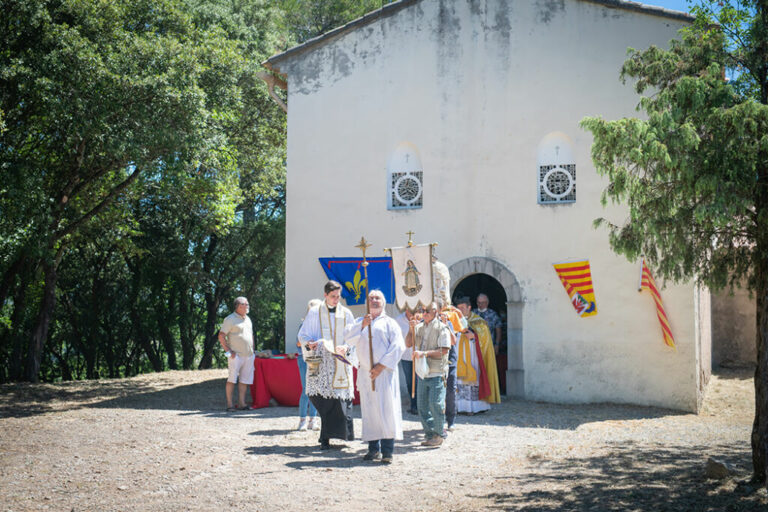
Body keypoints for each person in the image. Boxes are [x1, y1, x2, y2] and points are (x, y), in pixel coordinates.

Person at [342, 290, 405, 464]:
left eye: (377, 298)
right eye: (371, 298)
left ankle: (387, 451)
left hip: (384, 374)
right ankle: (372, 448)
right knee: (370, 412)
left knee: (386, 410)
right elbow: (348, 338)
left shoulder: (390, 323)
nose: (374, 301)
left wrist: (381, 366)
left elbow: (398, 346)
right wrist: (362, 325)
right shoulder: (360, 322)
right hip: (366, 374)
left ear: (383, 302)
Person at [297, 281, 356, 450]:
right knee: (323, 399)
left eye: (338, 296)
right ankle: (325, 437)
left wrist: (346, 346)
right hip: (321, 361)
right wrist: (310, 343)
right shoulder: (315, 312)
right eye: (333, 296)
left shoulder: (346, 313)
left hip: (340, 361)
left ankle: (344, 434)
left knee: (340, 399)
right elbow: (303, 335)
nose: (336, 299)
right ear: (325, 295)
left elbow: (353, 337)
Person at [406, 301, 451, 447]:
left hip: (437, 371)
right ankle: (430, 434)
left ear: (436, 312)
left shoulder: (442, 328)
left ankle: (438, 434)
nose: (424, 313)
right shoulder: (419, 327)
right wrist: (410, 329)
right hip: (422, 372)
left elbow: (444, 350)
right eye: (423, 310)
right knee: (422, 405)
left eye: (428, 310)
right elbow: (408, 343)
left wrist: (424, 353)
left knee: (435, 403)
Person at [218, 296, 255, 411]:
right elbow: (221, 336)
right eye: (245, 304)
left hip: (248, 355)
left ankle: (242, 403)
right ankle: (230, 405)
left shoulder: (248, 319)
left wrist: (253, 350)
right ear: (238, 306)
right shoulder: (230, 319)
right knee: (232, 379)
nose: (247, 306)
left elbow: (251, 336)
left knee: (244, 380)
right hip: (236, 356)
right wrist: (228, 351)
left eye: (247, 304)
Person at [296, 299, 321, 431]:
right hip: (304, 359)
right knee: (306, 390)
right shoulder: (304, 325)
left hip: (315, 358)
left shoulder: (322, 326)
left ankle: (313, 420)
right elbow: (298, 343)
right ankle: (302, 421)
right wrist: (308, 342)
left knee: (315, 390)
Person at [395, 307, 422, 415]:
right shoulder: (398, 320)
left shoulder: (421, 319)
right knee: (410, 382)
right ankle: (413, 405)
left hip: (419, 355)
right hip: (406, 355)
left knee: (419, 381)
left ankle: (421, 406)